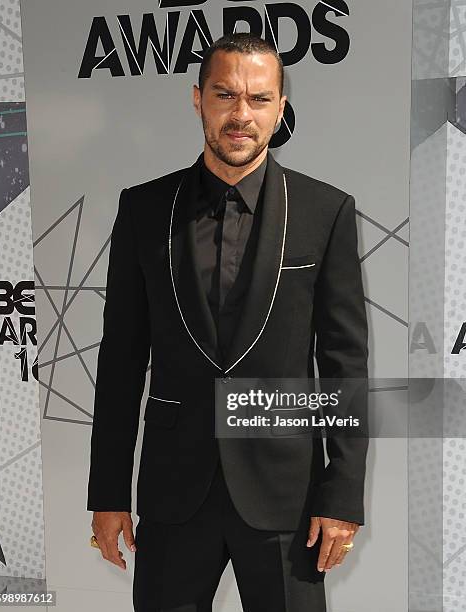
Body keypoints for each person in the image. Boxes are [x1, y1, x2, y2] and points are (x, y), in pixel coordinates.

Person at [87, 32, 369, 612]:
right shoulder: (143, 210)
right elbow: (120, 359)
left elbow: (344, 363)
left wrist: (341, 492)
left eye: (259, 99)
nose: (241, 115)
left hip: (285, 496)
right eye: (225, 95)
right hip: (173, 490)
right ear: (198, 100)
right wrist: (108, 492)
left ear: (281, 108)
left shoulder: (325, 212)